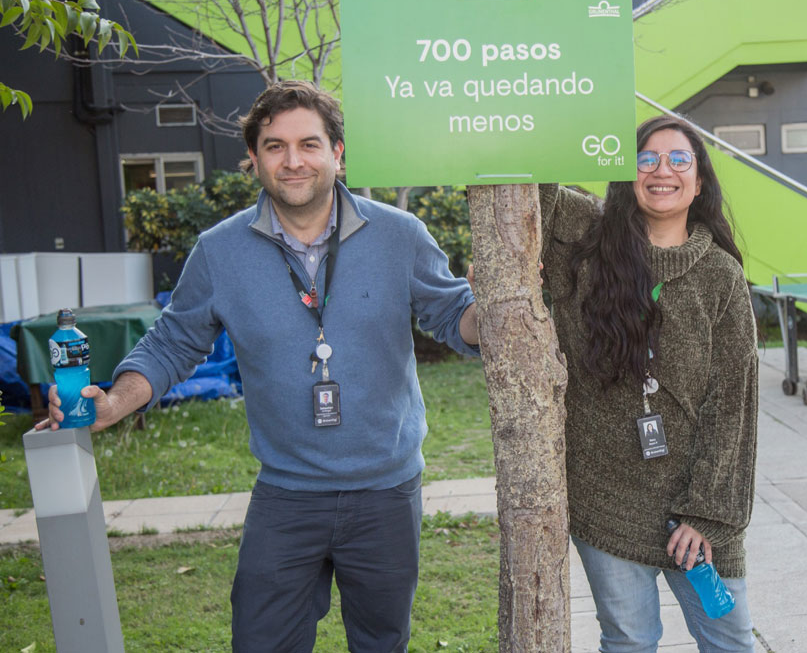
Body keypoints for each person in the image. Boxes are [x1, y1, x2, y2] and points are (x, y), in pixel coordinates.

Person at [37, 79, 480, 652]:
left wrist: (496, 308)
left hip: (386, 491)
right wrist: (114, 402)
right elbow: (173, 342)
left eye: (310, 144)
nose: (293, 161)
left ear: (338, 154)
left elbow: (455, 319)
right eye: (275, 146)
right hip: (287, 494)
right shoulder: (219, 251)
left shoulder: (401, 236)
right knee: (260, 642)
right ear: (253, 158)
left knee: (381, 642)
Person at [539, 115, 759, 651]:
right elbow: (534, 187)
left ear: (700, 181)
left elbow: (734, 402)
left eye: (679, 159)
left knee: (730, 641)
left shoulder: (720, 276)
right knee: (629, 640)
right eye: (646, 158)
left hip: (698, 503)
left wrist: (705, 513)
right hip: (605, 493)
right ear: (623, 171)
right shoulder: (588, 250)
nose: (663, 170)